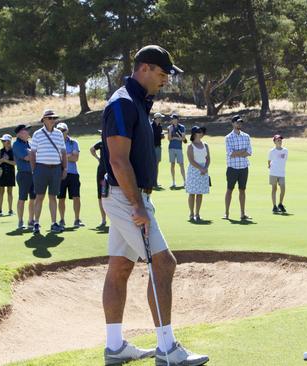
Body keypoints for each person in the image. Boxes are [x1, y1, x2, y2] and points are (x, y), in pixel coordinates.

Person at [100, 44, 208, 366]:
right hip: (125, 197)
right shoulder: (122, 102)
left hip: (127, 196)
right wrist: (138, 205)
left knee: (120, 267)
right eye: (162, 74)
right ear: (144, 68)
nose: (165, 81)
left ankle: (115, 347)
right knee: (164, 264)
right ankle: (167, 349)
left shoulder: (137, 103)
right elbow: (118, 161)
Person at [29, 109, 68, 234]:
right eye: (50, 118)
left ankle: (53, 223)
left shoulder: (58, 134)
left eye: (54, 118)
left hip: (56, 168)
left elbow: (63, 152)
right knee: (39, 196)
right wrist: (34, 169)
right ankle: (36, 223)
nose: (52, 120)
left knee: (53, 197)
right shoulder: (37, 134)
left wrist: (65, 168)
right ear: (44, 120)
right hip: (41, 168)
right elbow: (33, 153)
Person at [224, 114, 252, 220]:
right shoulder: (228, 137)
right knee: (229, 190)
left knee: (242, 190)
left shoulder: (246, 136)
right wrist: (242, 152)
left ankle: (242, 213)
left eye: (240, 122)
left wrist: (238, 153)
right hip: (232, 168)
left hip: (244, 167)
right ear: (233, 123)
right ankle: (226, 213)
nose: (239, 124)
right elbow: (230, 153)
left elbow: (249, 152)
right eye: (237, 122)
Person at [56, 122, 84, 228]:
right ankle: (62, 220)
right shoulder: (55, 143)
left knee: (76, 197)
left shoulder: (73, 143)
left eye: (62, 130)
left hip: (73, 174)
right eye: (58, 130)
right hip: (60, 174)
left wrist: (63, 156)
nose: (60, 132)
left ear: (67, 131)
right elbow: (56, 158)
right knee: (61, 198)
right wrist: (69, 155)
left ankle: (77, 219)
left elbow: (75, 158)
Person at [12, 124, 36, 230]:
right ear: (20, 133)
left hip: (33, 174)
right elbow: (27, 157)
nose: (28, 132)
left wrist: (34, 154)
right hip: (23, 174)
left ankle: (31, 220)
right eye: (26, 130)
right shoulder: (17, 144)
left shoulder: (29, 143)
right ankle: (20, 221)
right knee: (22, 198)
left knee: (33, 198)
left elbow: (34, 156)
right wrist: (34, 154)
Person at [185, 126, 210, 221]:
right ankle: (191, 213)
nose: (201, 133)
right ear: (194, 134)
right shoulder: (190, 146)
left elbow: (208, 159)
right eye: (199, 132)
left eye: (201, 132)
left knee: (200, 193)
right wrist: (201, 168)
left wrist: (205, 168)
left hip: (203, 170)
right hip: (194, 171)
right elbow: (191, 160)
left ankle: (197, 214)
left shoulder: (206, 145)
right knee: (192, 193)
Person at [90, 131, 108, 228]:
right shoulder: (101, 143)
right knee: (101, 195)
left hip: (107, 171)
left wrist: (98, 158)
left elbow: (92, 150)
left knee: (105, 195)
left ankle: (104, 220)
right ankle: (104, 219)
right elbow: (92, 149)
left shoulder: (103, 143)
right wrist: (98, 158)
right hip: (104, 171)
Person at [0, 134, 16, 216]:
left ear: (9, 141)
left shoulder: (13, 151)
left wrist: (6, 160)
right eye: (2, 141)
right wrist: (1, 160)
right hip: (1, 173)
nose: (2, 142)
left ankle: (10, 210)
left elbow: (15, 163)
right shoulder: (0, 151)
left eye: (4, 141)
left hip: (10, 172)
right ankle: (0, 210)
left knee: (10, 192)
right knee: (1, 192)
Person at [268, 134, 288, 213]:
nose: (280, 141)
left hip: (282, 173)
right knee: (274, 189)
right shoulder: (272, 151)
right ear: (274, 142)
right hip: (273, 172)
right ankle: (274, 206)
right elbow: (269, 161)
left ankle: (280, 204)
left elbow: (284, 160)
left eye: (280, 140)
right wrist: (270, 166)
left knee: (283, 188)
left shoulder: (285, 150)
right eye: (278, 140)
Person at [167, 113, 186, 188]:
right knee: (172, 164)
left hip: (179, 148)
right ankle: (173, 182)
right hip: (171, 148)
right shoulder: (170, 127)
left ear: (176, 120)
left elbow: (183, 138)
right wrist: (170, 132)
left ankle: (185, 182)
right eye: (171, 119)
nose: (172, 120)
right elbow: (169, 139)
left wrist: (175, 138)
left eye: (173, 118)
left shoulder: (181, 127)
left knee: (181, 164)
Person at [152, 112, 165, 188]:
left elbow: (159, 136)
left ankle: (155, 182)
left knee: (156, 165)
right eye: (160, 118)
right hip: (152, 147)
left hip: (158, 147)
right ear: (157, 118)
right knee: (152, 165)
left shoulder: (160, 126)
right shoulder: (151, 126)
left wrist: (161, 136)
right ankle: (152, 182)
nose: (161, 119)